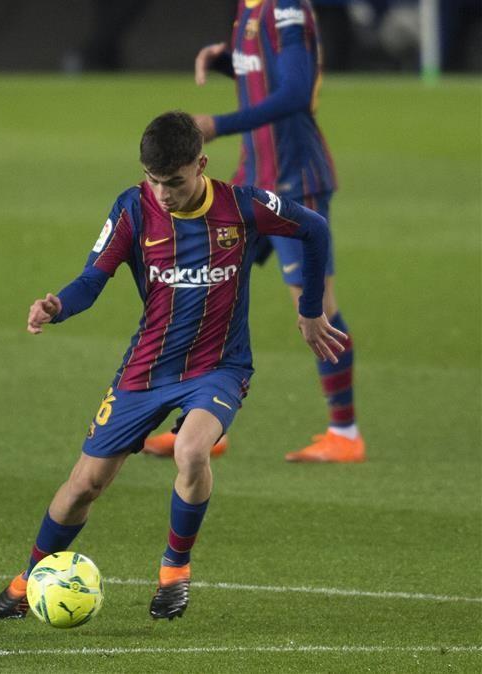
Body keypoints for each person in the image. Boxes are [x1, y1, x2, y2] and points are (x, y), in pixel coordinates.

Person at [0, 111, 345, 621]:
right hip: (147, 370)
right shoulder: (132, 209)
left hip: (219, 366)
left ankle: (174, 571)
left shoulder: (241, 205)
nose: (163, 193)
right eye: (154, 181)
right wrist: (58, 306)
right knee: (85, 484)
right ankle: (28, 579)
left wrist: (310, 312)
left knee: (192, 450)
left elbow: (314, 229)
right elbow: (93, 279)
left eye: (173, 182)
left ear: (200, 164)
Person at [145, 0, 364, 463]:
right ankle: (204, 427)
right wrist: (228, 62)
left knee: (317, 309)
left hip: (294, 182)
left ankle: (344, 432)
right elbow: (266, 72)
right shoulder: (250, 6)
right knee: (205, 292)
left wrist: (216, 125)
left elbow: (296, 92)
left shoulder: (286, 7)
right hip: (254, 177)